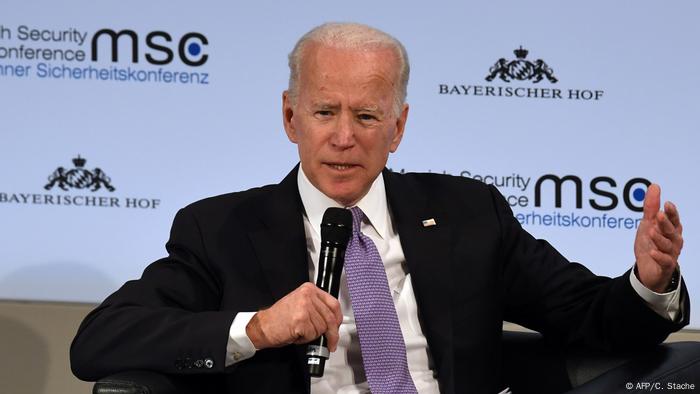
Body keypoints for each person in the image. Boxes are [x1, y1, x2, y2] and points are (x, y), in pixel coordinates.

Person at [71, 22, 688, 393]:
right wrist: (257, 328)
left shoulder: (470, 213)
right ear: (291, 117)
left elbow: (594, 319)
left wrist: (650, 282)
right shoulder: (221, 228)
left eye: (367, 116)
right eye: (324, 113)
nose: (345, 137)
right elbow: (99, 342)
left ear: (399, 126)